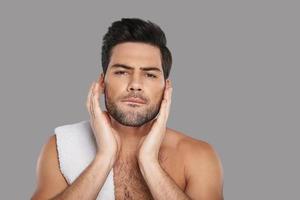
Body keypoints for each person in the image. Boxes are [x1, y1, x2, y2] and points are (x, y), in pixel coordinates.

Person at [31, 18, 224, 200]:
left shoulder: (197, 156)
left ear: (166, 87)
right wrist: (104, 157)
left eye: (149, 75)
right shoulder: (62, 147)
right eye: (122, 72)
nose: (135, 85)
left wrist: (149, 162)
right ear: (102, 82)